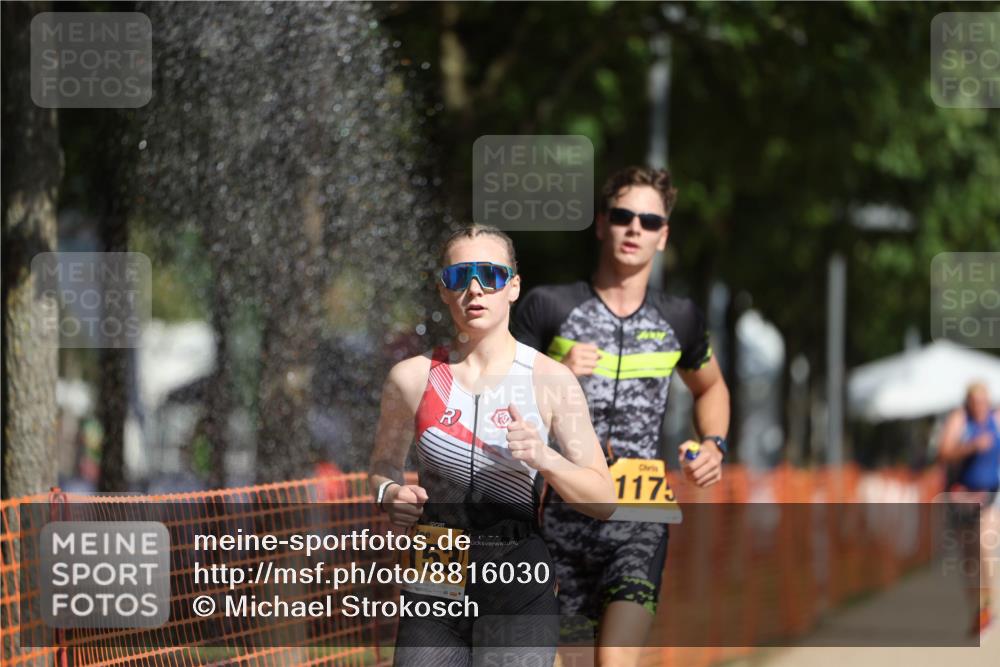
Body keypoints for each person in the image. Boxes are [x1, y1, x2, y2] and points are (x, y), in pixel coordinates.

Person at [511, 166, 731, 666]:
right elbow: (503, 404)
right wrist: (557, 376)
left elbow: (711, 384)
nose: (635, 228)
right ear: (600, 223)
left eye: (650, 221)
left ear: (663, 236)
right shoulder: (549, 306)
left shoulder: (680, 318)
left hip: (639, 518)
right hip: (559, 520)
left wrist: (715, 443)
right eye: (623, 215)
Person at [369, 224, 616, 667]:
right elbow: (383, 465)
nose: (476, 289)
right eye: (460, 276)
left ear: (514, 286)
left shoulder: (550, 380)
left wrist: (545, 457)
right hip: (435, 575)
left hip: (518, 577)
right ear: (444, 289)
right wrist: (390, 494)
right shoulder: (409, 379)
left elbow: (603, 498)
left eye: (491, 275)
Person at [938, 381, 1000, 635]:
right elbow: (943, 453)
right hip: (963, 494)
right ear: (968, 402)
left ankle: (988, 603)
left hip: (991, 494)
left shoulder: (996, 419)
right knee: (968, 557)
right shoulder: (959, 420)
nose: (979, 406)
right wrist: (971, 447)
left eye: (983, 401)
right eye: (974, 402)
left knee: (985, 545)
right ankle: (977, 611)